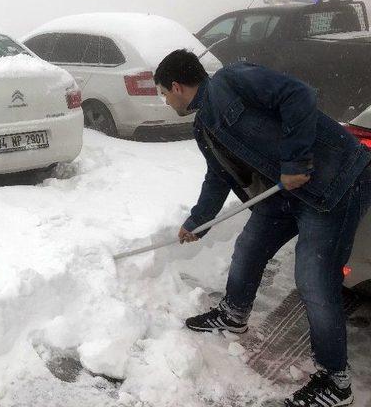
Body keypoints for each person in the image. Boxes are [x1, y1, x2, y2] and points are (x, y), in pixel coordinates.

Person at [153, 49, 371, 407]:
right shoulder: (203, 126)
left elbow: (299, 94)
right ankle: (233, 314)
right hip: (288, 192)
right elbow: (217, 176)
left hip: (335, 183)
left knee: (314, 279)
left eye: (163, 92)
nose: (164, 101)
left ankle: (336, 382)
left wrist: (296, 159)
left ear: (176, 86)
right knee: (250, 244)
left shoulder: (232, 79)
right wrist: (198, 221)